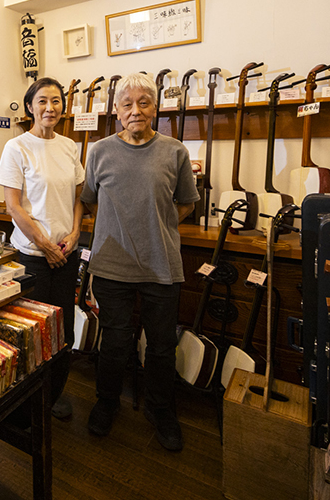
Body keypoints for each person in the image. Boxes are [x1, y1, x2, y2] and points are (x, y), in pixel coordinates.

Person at [80, 72, 199, 451]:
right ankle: (106, 401)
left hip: (161, 264)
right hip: (112, 266)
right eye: (127, 104)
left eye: (143, 103)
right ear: (116, 111)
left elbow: (185, 204)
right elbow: (90, 199)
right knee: (114, 340)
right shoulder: (98, 152)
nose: (135, 111)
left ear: (155, 108)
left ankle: (161, 410)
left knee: (162, 345)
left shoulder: (175, 151)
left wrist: (156, 226)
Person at [0, 77, 85, 420]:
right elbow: (14, 208)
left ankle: (53, 394)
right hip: (33, 257)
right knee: (34, 333)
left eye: (56, 101)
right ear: (30, 106)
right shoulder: (17, 147)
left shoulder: (68, 146)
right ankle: (27, 404)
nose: (50, 107)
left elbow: (79, 198)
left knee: (64, 329)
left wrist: (75, 233)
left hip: (66, 254)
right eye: (43, 101)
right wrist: (45, 245)